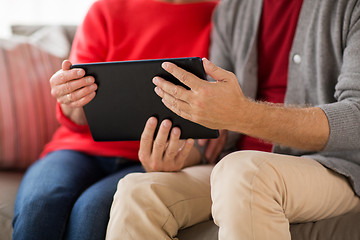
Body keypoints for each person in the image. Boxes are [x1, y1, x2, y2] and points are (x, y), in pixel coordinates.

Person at [106, 0, 360, 239]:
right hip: (233, 163)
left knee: (243, 173)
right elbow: (219, 125)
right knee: (137, 191)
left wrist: (243, 115)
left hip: (334, 167)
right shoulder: (232, 9)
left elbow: (356, 117)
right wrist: (181, 153)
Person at [11, 0, 218, 239]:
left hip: (149, 158)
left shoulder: (222, 17)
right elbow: (76, 114)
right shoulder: (106, 9)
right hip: (78, 149)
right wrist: (71, 96)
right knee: (39, 205)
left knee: (93, 211)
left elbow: (216, 116)